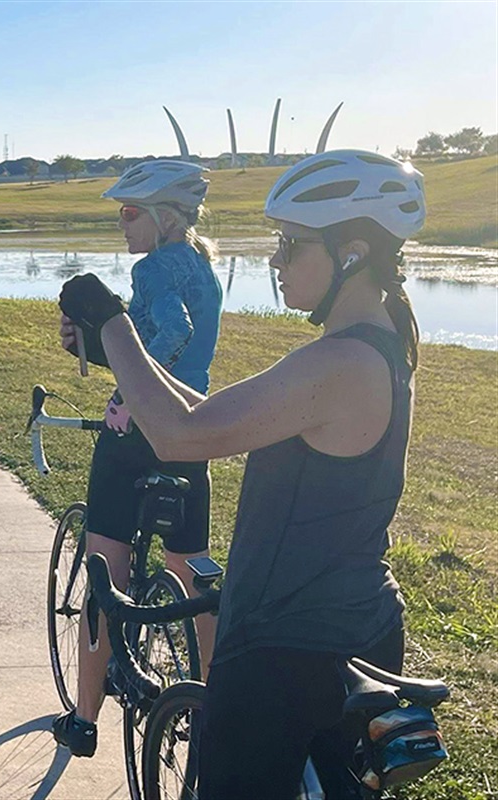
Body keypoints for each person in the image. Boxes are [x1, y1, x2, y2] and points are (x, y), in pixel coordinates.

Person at [59, 150, 424, 797]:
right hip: (350, 624)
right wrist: (124, 359)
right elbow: (201, 414)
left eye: (291, 244)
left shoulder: (337, 364)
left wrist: (109, 319)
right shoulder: (379, 343)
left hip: (286, 647)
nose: (275, 261)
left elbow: (180, 435)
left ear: (352, 253)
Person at [53, 159, 223, 757]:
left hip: (136, 432)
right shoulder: (202, 266)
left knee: (106, 567)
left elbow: (171, 334)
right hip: (192, 428)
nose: (121, 225)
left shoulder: (153, 267)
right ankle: (215, 706)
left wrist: (131, 389)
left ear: (165, 217)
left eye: (129, 214)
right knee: (193, 570)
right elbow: (168, 342)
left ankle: (83, 718)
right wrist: (104, 349)